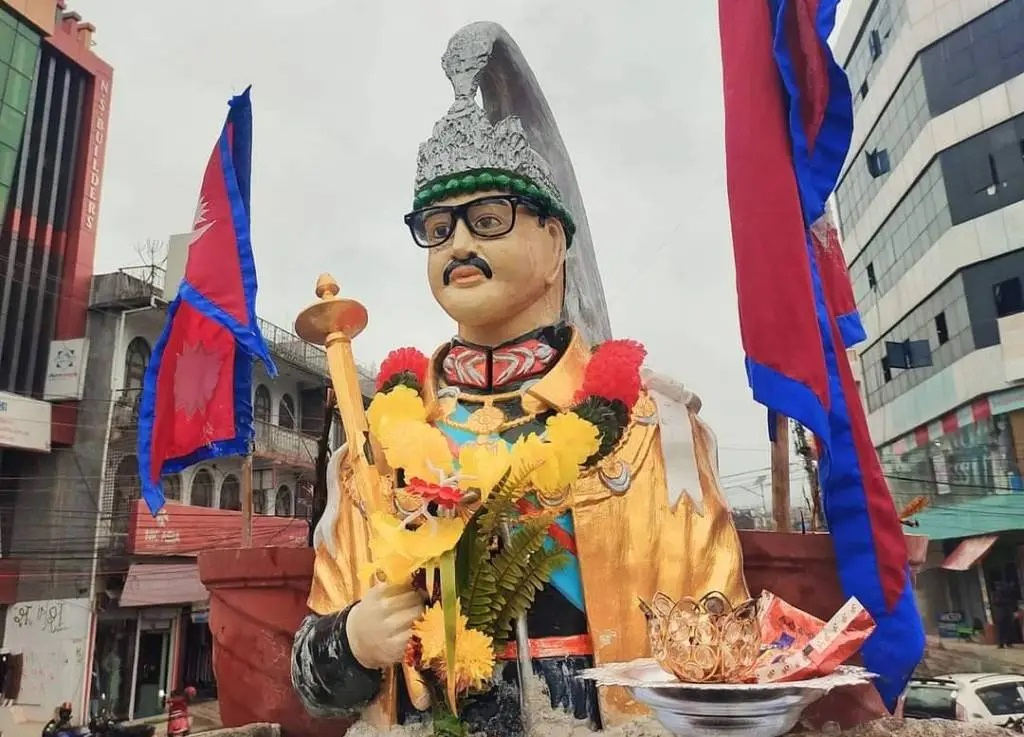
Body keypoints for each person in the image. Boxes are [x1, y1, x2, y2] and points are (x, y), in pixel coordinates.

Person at [290, 21, 748, 737]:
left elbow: (725, 640)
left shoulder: (650, 430)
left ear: (556, 237)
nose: (460, 244)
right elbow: (316, 685)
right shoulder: (375, 449)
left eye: (488, 216)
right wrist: (349, 640)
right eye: (438, 227)